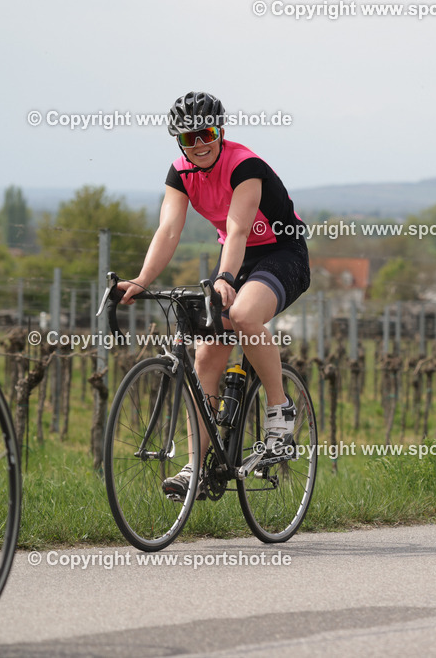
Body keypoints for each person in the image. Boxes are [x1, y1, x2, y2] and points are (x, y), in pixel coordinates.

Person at [118, 91, 310, 499]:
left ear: (220, 130)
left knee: (242, 315)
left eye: (205, 133)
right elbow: (168, 231)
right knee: (206, 353)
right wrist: (141, 281)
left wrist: (225, 276)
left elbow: (238, 229)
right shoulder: (181, 173)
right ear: (179, 144)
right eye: (189, 139)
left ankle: (280, 411)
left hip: (281, 252)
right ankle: (195, 467)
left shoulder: (245, 165)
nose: (199, 144)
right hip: (235, 259)